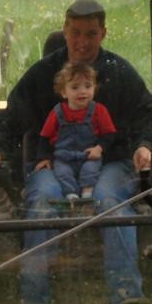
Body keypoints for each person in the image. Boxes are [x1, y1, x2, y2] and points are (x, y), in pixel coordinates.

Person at [0, 0, 152, 304]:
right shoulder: (42, 76)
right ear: (64, 31)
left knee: (111, 203)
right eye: (75, 33)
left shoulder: (121, 74)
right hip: (52, 163)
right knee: (41, 201)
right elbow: (11, 118)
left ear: (103, 33)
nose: (82, 41)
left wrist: (146, 146)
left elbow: (148, 116)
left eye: (90, 33)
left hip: (109, 163)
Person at [35, 61, 116, 201]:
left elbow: (109, 134)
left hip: (88, 156)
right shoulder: (57, 112)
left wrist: (99, 149)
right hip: (64, 158)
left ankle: (87, 195)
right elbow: (44, 137)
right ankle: (71, 197)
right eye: (75, 87)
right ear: (64, 92)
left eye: (88, 86)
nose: (82, 91)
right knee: (62, 172)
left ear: (94, 88)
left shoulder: (99, 110)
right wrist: (44, 158)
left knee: (90, 170)